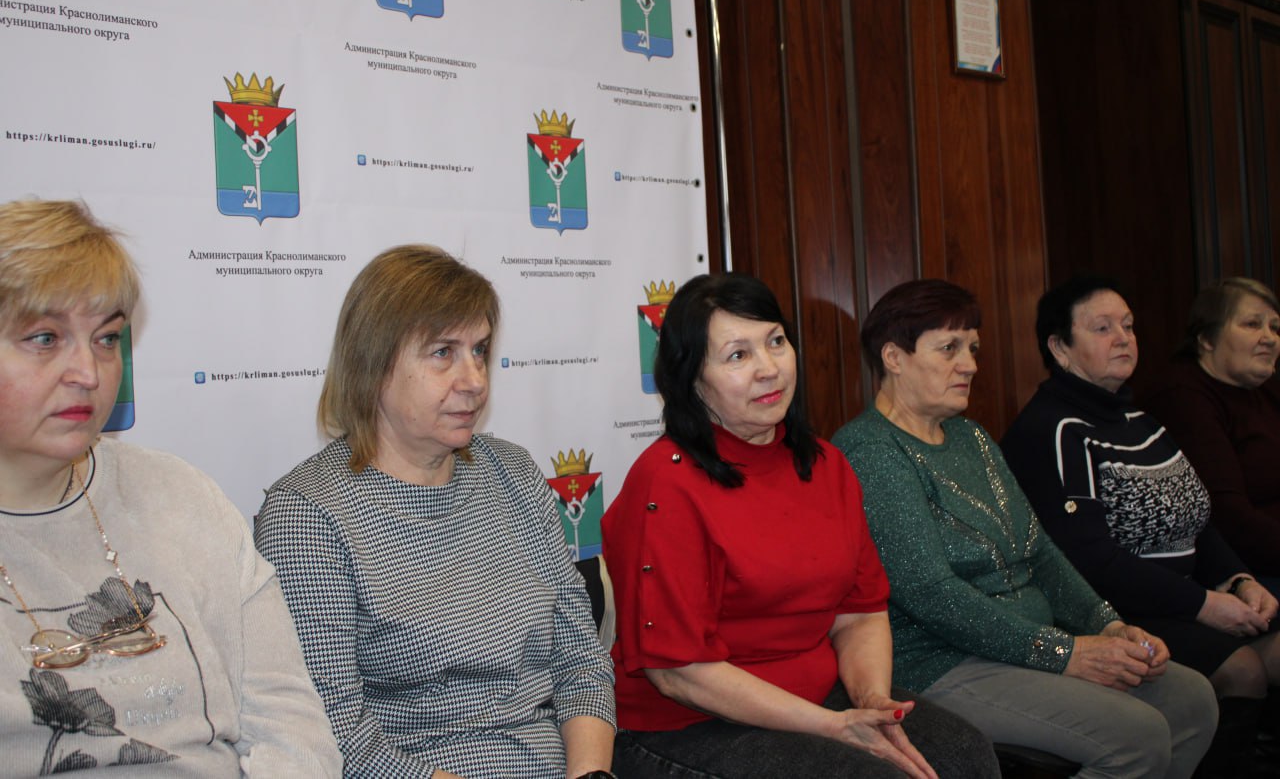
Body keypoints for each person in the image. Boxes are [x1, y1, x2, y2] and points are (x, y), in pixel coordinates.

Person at [604, 272, 998, 779]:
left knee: (965, 754)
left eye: (775, 342)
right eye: (737, 355)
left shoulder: (827, 464)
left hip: (816, 698)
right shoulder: (666, 482)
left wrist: (872, 701)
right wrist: (832, 726)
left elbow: (859, 613)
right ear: (692, 380)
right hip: (690, 723)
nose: (769, 369)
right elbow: (678, 674)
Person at [0, 199, 341, 776]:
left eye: (106, 338)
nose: (88, 372)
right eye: (44, 338)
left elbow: (291, 725)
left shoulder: (180, 495)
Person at [832, 278, 1219, 778]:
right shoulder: (872, 451)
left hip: (1028, 644)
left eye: (972, 348)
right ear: (893, 357)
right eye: (949, 348)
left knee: (1192, 700)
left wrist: (1106, 624)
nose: (969, 364)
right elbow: (932, 595)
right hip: (941, 662)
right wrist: (1063, 652)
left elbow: (1041, 553)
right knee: (1137, 735)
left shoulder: (970, 436)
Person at [254, 245, 615, 779]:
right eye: (443, 353)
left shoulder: (513, 473)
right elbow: (338, 737)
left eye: (479, 351)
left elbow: (582, 661)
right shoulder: (308, 515)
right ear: (374, 366)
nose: (475, 379)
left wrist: (590, 775)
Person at [1001, 275, 1280, 776]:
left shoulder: (1139, 419)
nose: (1123, 338)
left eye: (1128, 326)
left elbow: (1195, 516)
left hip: (1183, 599)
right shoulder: (1052, 430)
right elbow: (1090, 561)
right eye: (1103, 328)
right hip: (1115, 612)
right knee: (1243, 670)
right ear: (1060, 347)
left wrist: (1238, 579)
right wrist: (1203, 605)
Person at [1144, 278, 1280, 580]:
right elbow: (1227, 516)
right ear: (1206, 338)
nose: (1269, 338)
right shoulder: (1182, 396)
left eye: (1275, 328)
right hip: (1245, 573)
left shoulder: (1268, 390)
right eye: (1252, 324)